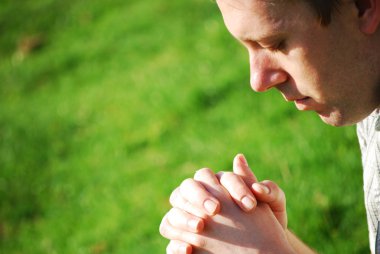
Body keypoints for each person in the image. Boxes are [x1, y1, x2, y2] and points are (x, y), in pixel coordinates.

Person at [159, 0, 380, 253]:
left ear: (363, 7)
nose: (258, 81)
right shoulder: (369, 103)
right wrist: (270, 237)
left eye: (274, 44)